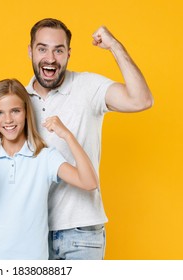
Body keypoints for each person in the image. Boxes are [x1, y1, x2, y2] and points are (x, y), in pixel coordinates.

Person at [26, 18, 154, 260]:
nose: (50, 58)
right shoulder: (19, 100)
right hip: (35, 233)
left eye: (59, 50)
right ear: (30, 51)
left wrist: (114, 45)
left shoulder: (87, 86)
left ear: (69, 54)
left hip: (82, 233)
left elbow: (141, 100)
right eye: (42, 48)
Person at [0, 78, 98, 259]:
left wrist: (67, 136)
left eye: (15, 111)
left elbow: (89, 182)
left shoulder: (45, 157)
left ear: (27, 112)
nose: (8, 120)